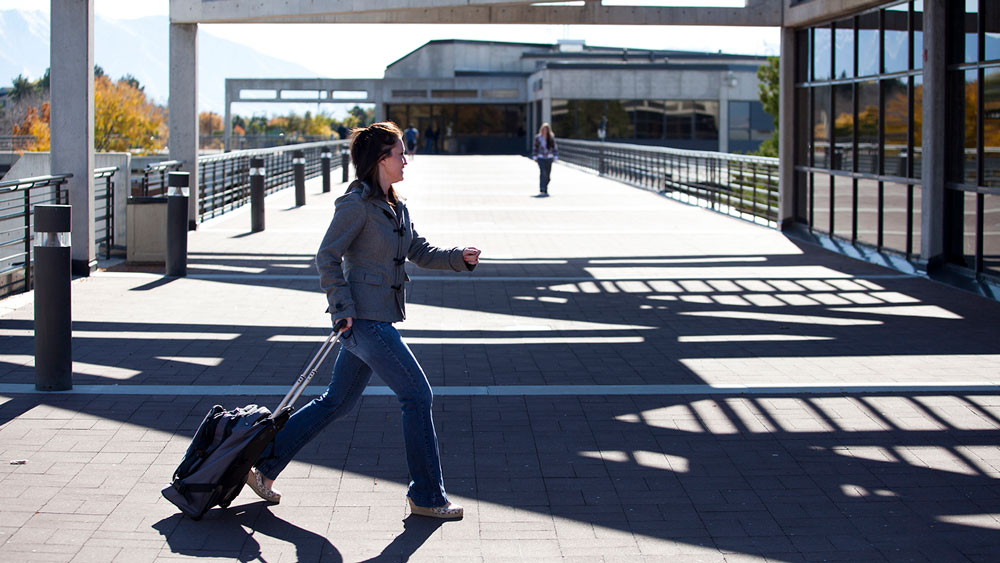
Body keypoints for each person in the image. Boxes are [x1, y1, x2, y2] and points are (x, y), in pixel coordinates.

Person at [246, 121, 481, 519]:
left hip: (375, 319)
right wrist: (342, 308)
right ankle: (426, 495)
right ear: (380, 160)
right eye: (400, 153)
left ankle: (262, 468)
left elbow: (418, 250)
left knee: (336, 401)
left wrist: (459, 257)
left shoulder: (395, 204)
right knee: (417, 396)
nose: (406, 160)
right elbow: (326, 257)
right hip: (364, 322)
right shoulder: (355, 204)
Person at [532, 122, 558, 196]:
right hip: (541, 157)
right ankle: (542, 187)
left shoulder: (551, 137)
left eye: (546, 129)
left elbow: (554, 147)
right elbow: (535, 147)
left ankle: (545, 187)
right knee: (543, 172)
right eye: (544, 129)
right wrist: (535, 156)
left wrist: (555, 155)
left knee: (548, 175)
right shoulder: (538, 138)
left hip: (549, 157)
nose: (545, 131)